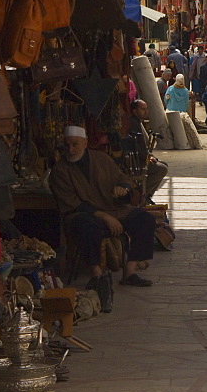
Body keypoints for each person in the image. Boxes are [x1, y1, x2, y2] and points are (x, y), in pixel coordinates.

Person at [49, 126, 156, 312]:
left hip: (112, 210)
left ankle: (130, 271)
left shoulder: (102, 159)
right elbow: (73, 203)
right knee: (86, 226)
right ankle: (97, 274)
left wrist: (123, 187)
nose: (71, 150)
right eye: (67, 146)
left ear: (85, 143)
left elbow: (123, 178)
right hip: (82, 214)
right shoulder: (60, 171)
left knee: (144, 219)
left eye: (75, 144)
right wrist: (104, 217)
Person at [125, 100, 169, 199]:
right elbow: (137, 147)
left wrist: (150, 156)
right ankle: (143, 195)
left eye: (146, 109)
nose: (146, 111)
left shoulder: (138, 122)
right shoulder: (133, 124)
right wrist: (147, 157)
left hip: (142, 157)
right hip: (137, 161)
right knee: (161, 169)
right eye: (143, 109)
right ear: (135, 111)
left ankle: (147, 195)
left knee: (163, 164)